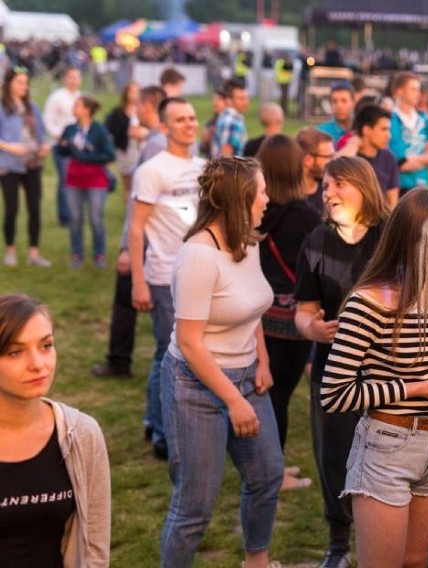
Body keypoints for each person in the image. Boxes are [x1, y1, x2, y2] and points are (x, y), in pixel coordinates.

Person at [322, 187, 428, 568]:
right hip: (387, 446)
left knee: (417, 561)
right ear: (416, 241)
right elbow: (335, 394)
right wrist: (417, 388)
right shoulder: (368, 303)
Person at [159, 157, 283, 568]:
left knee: (267, 476)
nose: (268, 198)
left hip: (248, 376)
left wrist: (262, 360)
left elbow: (251, 308)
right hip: (196, 384)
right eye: (261, 191)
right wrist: (233, 400)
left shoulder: (246, 242)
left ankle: (256, 561)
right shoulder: (198, 256)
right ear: (239, 199)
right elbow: (192, 344)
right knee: (195, 506)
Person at [294, 156, 389, 568]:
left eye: (337, 184)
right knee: (334, 455)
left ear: (363, 186)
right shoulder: (316, 240)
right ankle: (338, 541)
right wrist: (312, 330)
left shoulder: (391, 236)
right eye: (325, 186)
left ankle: (416, 536)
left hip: (390, 366)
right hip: (334, 367)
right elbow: (304, 310)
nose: (327, 192)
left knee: (392, 454)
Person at [0, 294, 111, 567]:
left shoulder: (82, 434)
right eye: (15, 352)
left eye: (46, 345)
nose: (38, 364)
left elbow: (94, 547)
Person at [129, 97, 205, 460]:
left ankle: (153, 417)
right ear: (164, 127)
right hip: (162, 274)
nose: (189, 124)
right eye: (180, 119)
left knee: (189, 353)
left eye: (192, 117)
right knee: (167, 353)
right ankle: (161, 430)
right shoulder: (152, 169)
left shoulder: (203, 167)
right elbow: (136, 226)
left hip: (198, 274)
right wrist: (138, 280)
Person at [90, 85, 167, 380]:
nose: (136, 111)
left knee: (126, 298)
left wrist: (126, 247)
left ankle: (119, 361)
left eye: (140, 105)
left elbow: (139, 203)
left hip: (147, 237)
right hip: (162, 238)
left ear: (149, 107)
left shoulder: (154, 146)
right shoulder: (165, 143)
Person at [256, 134, 320, 492]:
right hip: (293, 318)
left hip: (258, 314)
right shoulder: (306, 215)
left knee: (269, 392)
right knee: (278, 395)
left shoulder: (257, 208)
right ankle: (272, 473)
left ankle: (271, 464)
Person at [56, 95, 116, 269]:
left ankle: (99, 255)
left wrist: (85, 157)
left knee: (96, 218)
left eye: (78, 105)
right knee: (75, 219)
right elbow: (62, 151)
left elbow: (109, 154)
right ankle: (77, 254)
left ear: (87, 110)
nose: (74, 108)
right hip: (73, 180)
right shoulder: (70, 128)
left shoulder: (99, 129)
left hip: (96, 180)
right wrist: (63, 146)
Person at [0, 66, 51, 268]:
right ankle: (10, 249)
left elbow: (41, 133)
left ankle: (34, 252)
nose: (24, 86)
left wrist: (44, 144)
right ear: (9, 83)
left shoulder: (32, 107)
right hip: (9, 165)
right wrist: (8, 146)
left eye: (26, 82)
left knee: (34, 208)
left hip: (33, 163)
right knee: (11, 208)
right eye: (19, 82)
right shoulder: (2, 107)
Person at [388, 72, 428, 196]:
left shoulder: (425, 119)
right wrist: (426, 158)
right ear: (399, 92)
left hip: (424, 186)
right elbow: (401, 163)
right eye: (413, 89)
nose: (418, 93)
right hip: (399, 187)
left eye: (419, 89)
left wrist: (413, 158)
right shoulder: (390, 119)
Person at [338, 103, 401, 208]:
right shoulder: (351, 155)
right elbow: (337, 167)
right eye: (383, 129)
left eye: (388, 130)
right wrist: (354, 142)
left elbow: (393, 201)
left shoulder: (389, 158)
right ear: (366, 130)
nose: (388, 135)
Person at [43, 67, 81, 227]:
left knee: (76, 179)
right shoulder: (57, 97)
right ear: (65, 78)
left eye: (77, 77)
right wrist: (59, 136)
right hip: (62, 144)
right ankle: (64, 216)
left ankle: (76, 212)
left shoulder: (81, 97)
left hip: (78, 145)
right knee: (65, 179)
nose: (74, 80)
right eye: (71, 77)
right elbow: (48, 119)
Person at [105, 81, 146, 202]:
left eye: (137, 92)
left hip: (141, 149)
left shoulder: (144, 111)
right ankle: (129, 208)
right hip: (125, 151)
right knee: (128, 183)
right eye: (132, 92)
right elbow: (110, 131)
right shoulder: (118, 113)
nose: (134, 95)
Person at [295, 127, 335, 214]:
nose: (333, 161)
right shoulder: (286, 198)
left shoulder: (331, 190)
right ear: (307, 160)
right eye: (329, 157)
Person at [212, 79, 250, 158]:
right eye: (241, 98)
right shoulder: (231, 122)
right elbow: (226, 157)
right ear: (229, 101)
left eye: (246, 98)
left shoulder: (229, 118)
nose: (246, 102)